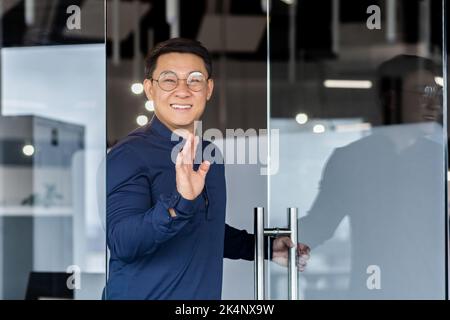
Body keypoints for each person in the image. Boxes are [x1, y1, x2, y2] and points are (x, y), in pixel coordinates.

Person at [105, 38, 310, 300]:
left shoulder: (209, 154)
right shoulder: (129, 155)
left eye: (195, 79)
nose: (183, 90)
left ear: (208, 88)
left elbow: (203, 232)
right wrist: (180, 204)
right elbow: (123, 243)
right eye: (169, 80)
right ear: (149, 89)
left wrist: (265, 248)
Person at [298, 55, 445, 299]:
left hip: (433, 291)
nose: (433, 104)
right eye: (423, 92)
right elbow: (320, 224)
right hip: (373, 292)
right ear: (391, 99)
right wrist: (265, 242)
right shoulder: (351, 159)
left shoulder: (439, 160)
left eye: (436, 93)